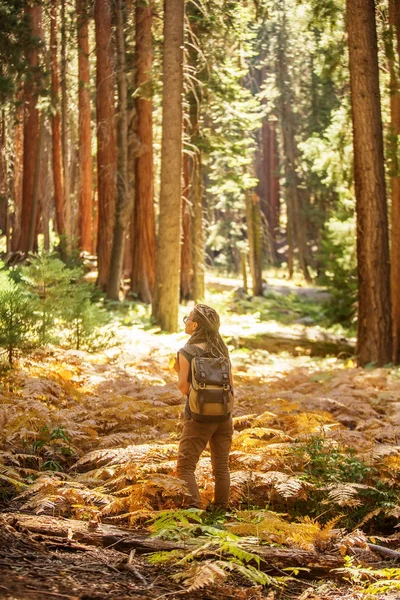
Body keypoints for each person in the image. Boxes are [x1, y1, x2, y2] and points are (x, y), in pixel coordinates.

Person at [174, 304, 234, 509]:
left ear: (195, 325)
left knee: (185, 467)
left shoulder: (187, 352)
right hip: (224, 417)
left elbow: (184, 388)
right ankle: (220, 510)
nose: (186, 321)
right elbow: (231, 386)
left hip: (197, 417)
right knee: (221, 467)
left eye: (187, 318)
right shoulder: (221, 350)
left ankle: (192, 511)